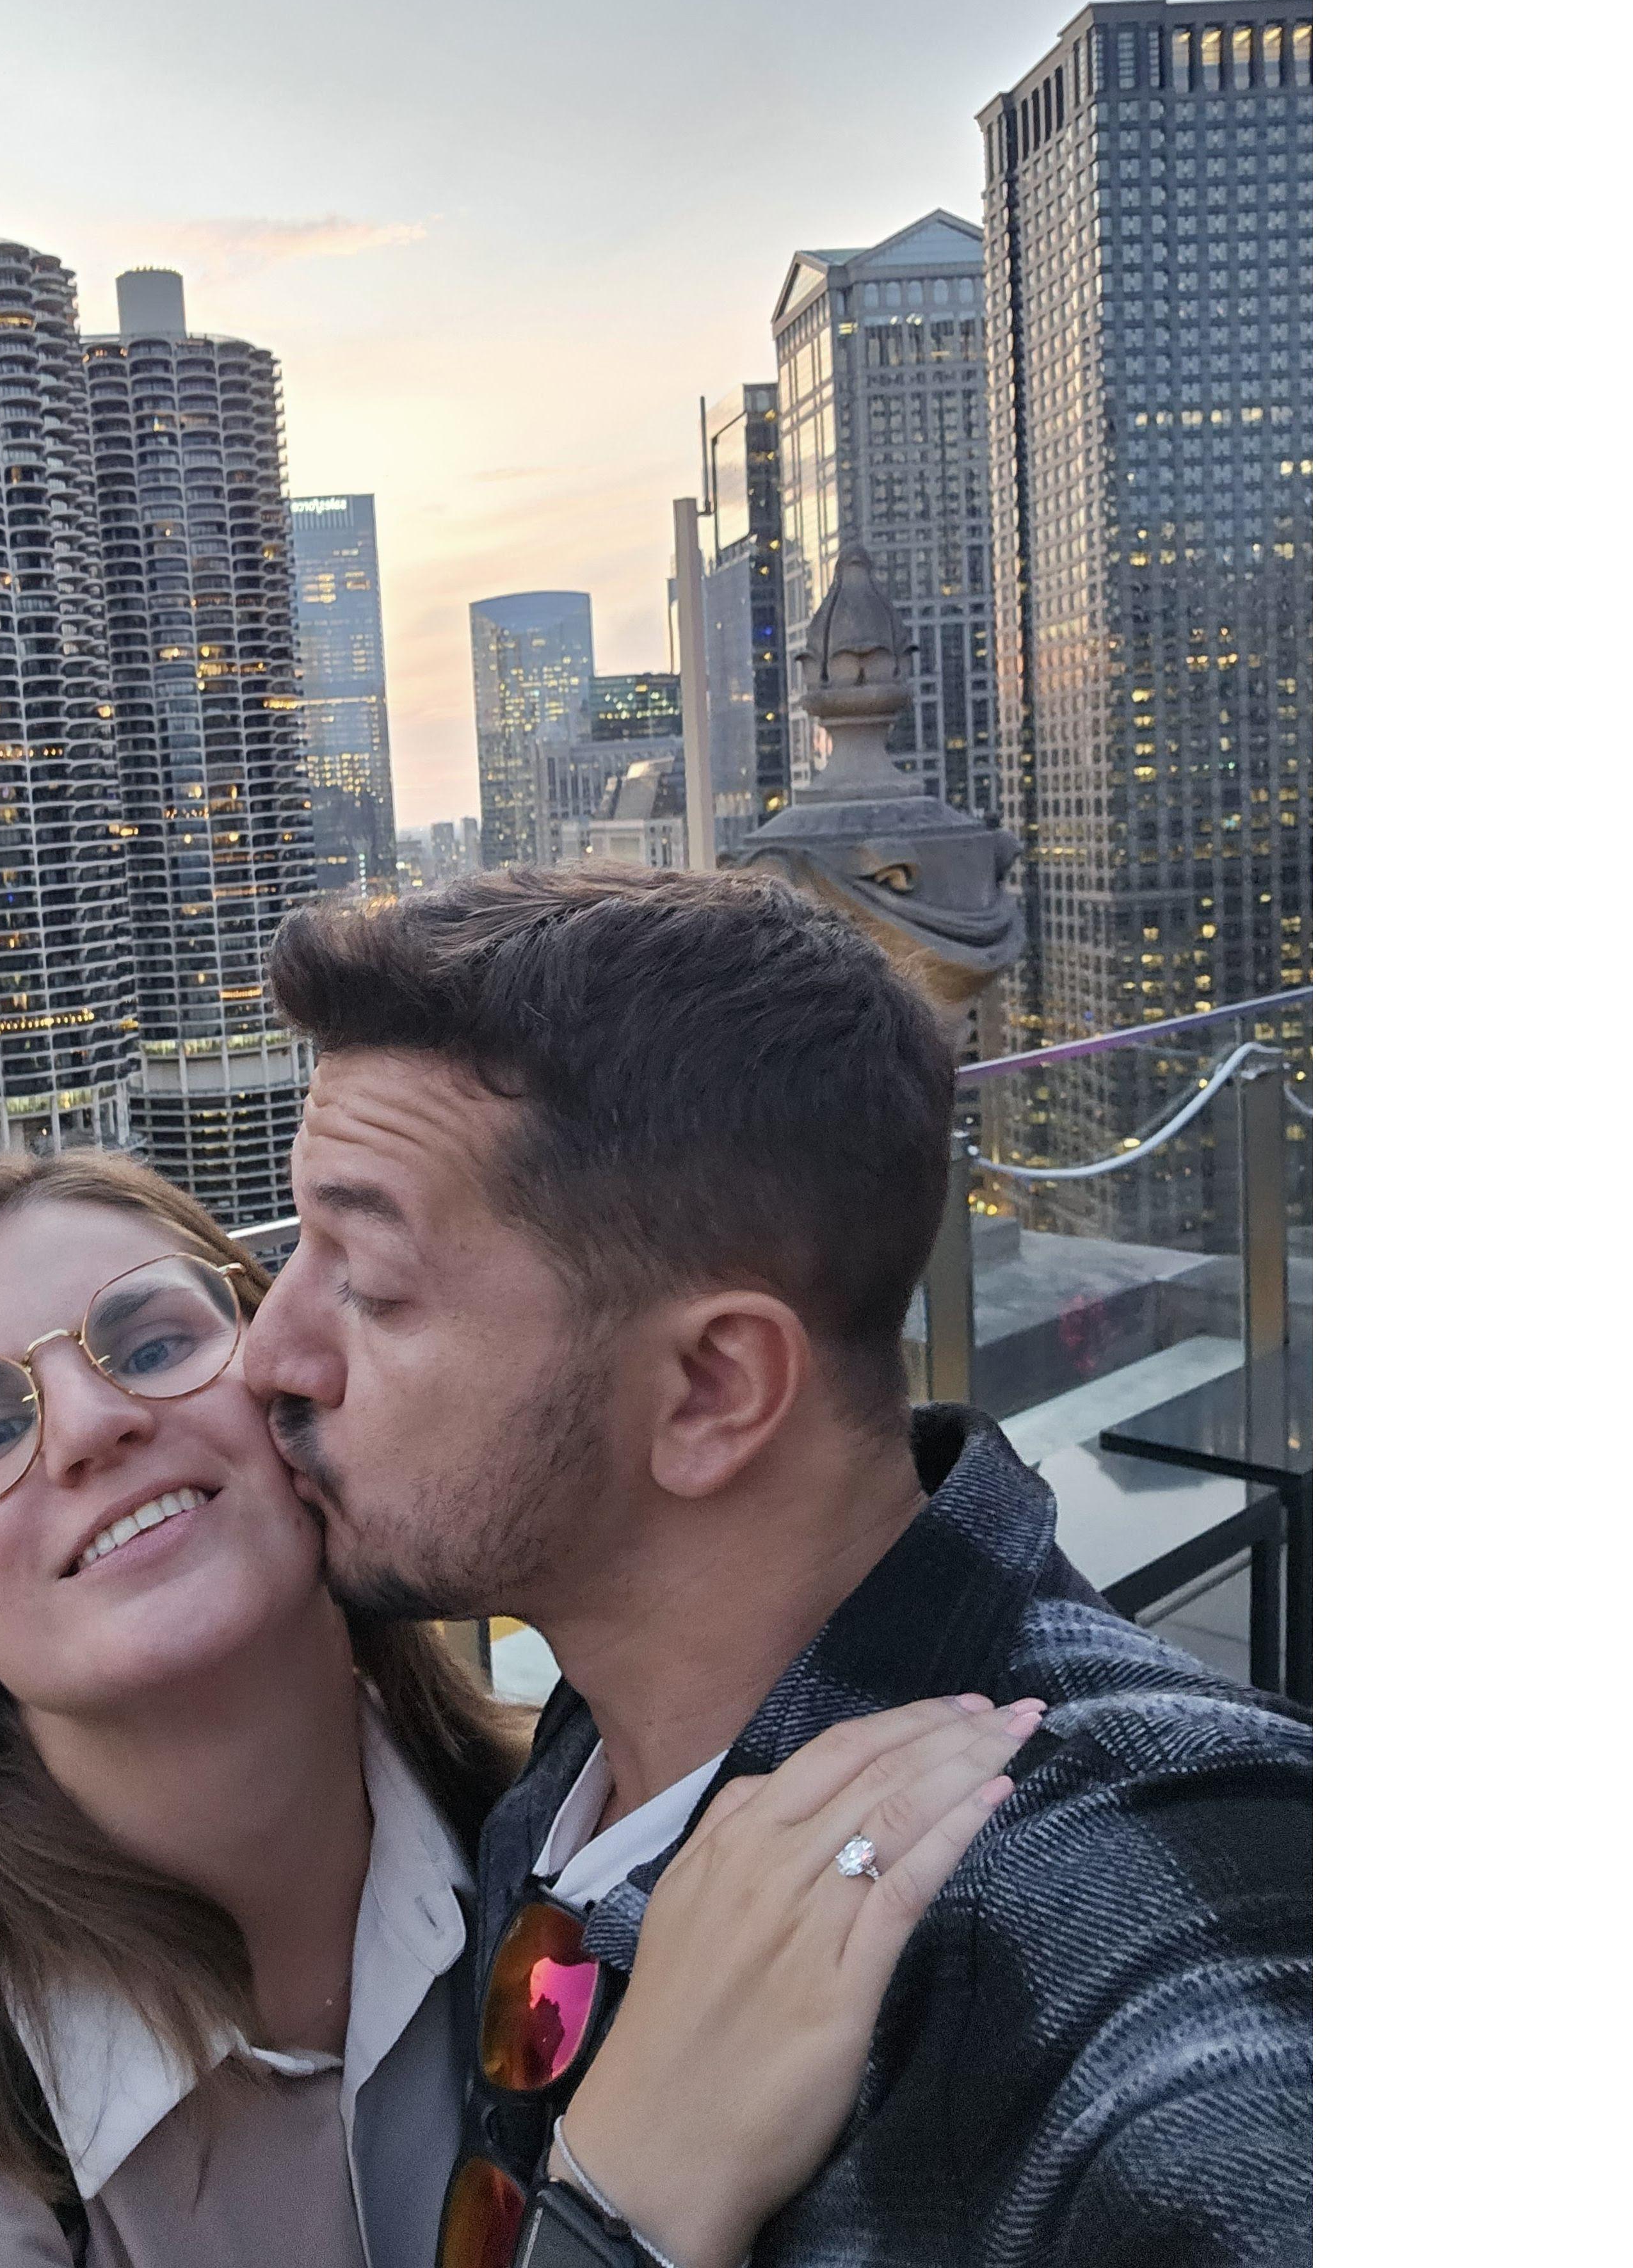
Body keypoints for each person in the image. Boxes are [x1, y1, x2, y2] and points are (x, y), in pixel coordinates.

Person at [0, 1149, 1040, 2268]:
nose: (89, 1423)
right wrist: (617, 2204)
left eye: (153, 1339)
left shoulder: (568, 1842)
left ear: (295, 1395)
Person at [248, 865, 1314, 2268]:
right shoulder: (596, 1757)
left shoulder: (1115, 1888)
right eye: (294, 1249)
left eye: (372, 1286)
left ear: (710, 1391)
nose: (267, 1354)